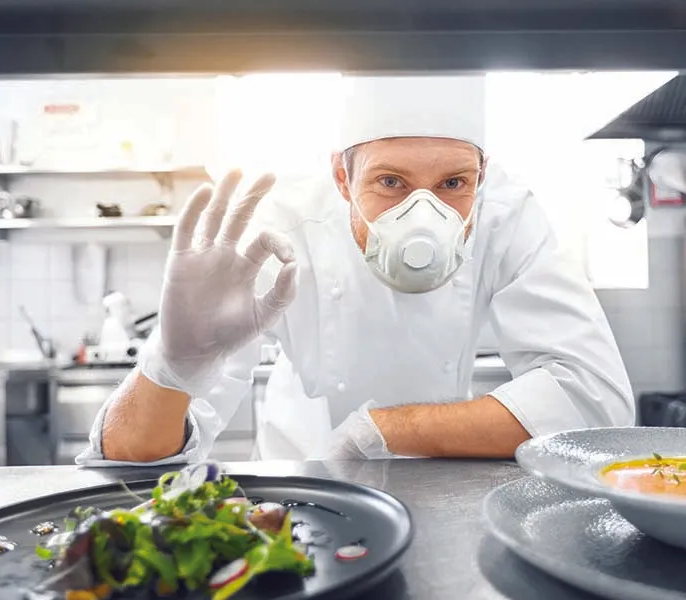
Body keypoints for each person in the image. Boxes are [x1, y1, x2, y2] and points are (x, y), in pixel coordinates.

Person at [77, 76, 634, 465]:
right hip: (298, 483)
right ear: (342, 178)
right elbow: (132, 458)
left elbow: (596, 401)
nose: (422, 217)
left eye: (453, 184)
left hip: (443, 481)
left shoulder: (507, 216)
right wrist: (173, 367)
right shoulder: (279, 229)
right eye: (390, 182)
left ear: (482, 176)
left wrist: (382, 431)